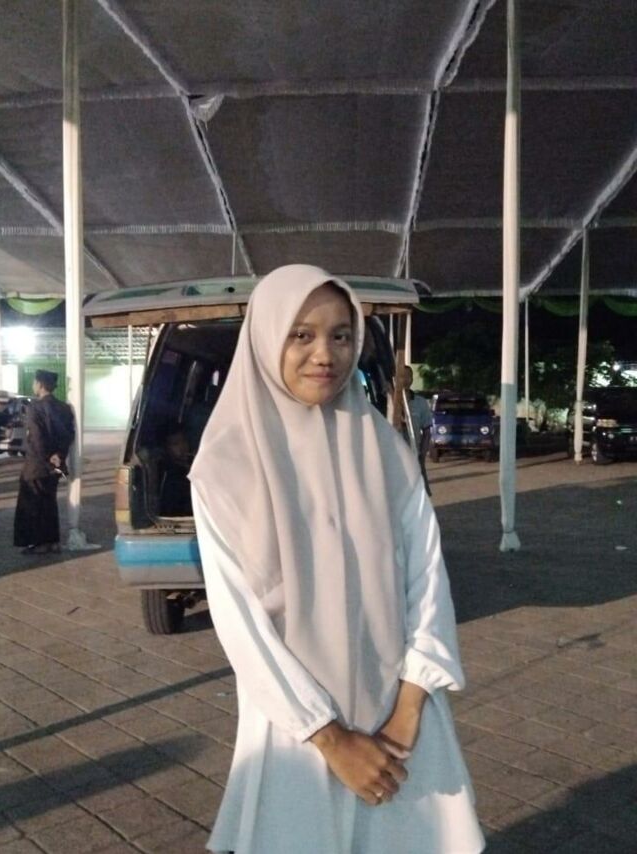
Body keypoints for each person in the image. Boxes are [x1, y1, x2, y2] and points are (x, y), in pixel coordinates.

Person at [189, 265, 484, 854]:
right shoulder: (226, 467)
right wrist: (329, 738)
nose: (324, 354)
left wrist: (408, 708)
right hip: (293, 728)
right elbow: (240, 622)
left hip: (400, 719)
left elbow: (427, 578)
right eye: (301, 335)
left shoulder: (385, 449)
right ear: (267, 338)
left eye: (341, 335)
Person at [14, 370, 75, 555]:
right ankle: (52, 541)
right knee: (49, 502)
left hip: (37, 465)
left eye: (34, 382)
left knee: (33, 503)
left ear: (40, 385)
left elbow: (37, 438)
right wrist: (59, 456)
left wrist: (48, 459)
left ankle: (39, 542)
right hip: (56, 465)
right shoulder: (65, 408)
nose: (33, 385)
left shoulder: (35, 408)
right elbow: (69, 435)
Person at [403, 364, 433, 496]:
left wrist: (423, 453)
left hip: (414, 454)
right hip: (395, 456)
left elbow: (427, 430)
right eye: (401, 376)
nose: (405, 380)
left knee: (419, 492)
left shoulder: (420, 402)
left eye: (408, 376)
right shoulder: (389, 401)